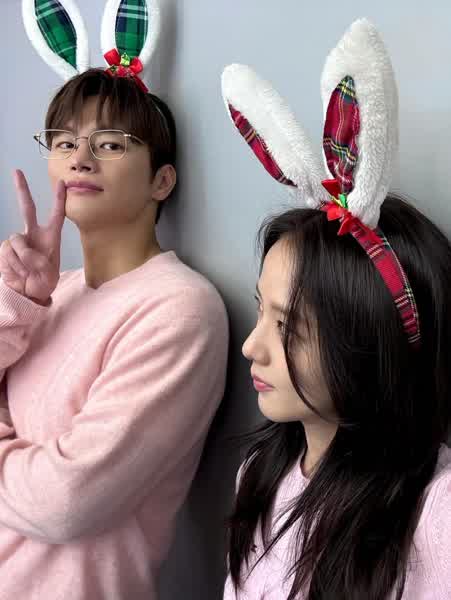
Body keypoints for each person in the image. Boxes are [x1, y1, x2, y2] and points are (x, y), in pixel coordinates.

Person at [0, 1, 228, 599]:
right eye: (64, 141)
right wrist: (19, 303)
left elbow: (64, 502)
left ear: (162, 181)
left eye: (111, 144)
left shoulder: (179, 309)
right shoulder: (51, 292)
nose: (79, 157)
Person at [220, 18, 450, 600]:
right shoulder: (260, 473)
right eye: (260, 311)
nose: (251, 346)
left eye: (287, 326)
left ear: (371, 339)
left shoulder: (435, 512)